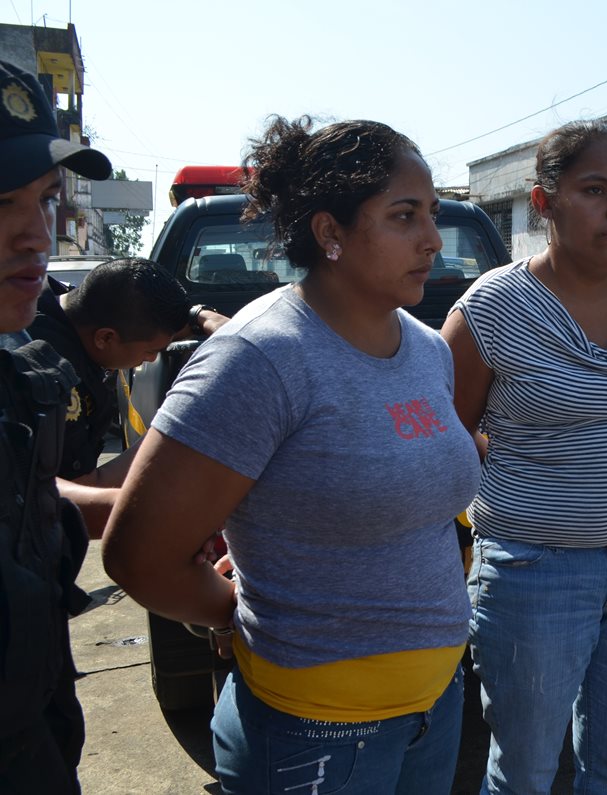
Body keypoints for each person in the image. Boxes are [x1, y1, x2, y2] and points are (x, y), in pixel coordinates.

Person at [101, 116, 481, 794]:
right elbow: (138, 553)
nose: (432, 239)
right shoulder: (260, 358)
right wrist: (232, 612)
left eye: (433, 213)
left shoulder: (426, 349)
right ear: (329, 232)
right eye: (403, 216)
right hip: (317, 727)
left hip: (434, 705)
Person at [442, 120, 607, 794]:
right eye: (595, 190)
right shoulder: (490, 309)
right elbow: (451, 439)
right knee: (524, 767)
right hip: (531, 573)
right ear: (542, 201)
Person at [0, 58, 113, 794]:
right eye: (0, 203)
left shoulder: (15, 368)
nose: (35, 235)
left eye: (43, 200)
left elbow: (30, 515)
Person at [29, 257, 226, 483]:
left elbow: (155, 325)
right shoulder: (50, 377)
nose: (151, 359)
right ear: (105, 337)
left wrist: (201, 315)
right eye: (150, 351)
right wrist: (173, 433)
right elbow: (83, 492)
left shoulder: (65, 305)